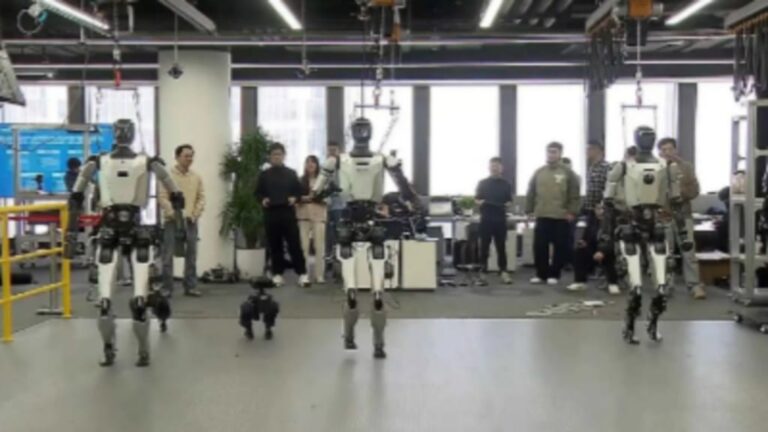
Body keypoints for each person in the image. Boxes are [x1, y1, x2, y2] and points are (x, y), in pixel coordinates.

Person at [567, 140, 620, 294]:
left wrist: (603, 208)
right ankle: (580, 280)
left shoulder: (607, 168)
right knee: (581, 244)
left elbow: (609, 191)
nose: (587, 152)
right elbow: (590, 192)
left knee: (605, 246)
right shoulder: (591, 168)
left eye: (589, 149)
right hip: (590, 213)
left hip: (605, 214)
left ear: (598, 151)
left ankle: (612, 282)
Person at [657, 137, 706, 300]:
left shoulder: (686, 167)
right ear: (659, 152)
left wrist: (678, 193)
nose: (667, 152)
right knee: (666, 253)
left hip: (683, 215)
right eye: (664, 150)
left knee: (689, 252)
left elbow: (695, 190)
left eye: (670, 149)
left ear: (675, 150)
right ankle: (666, 285)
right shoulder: (656, 169)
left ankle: (694, 285)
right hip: (663, 216)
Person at [525, 142, 580, 285]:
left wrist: (571, 211)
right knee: (539, 246)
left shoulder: (568, 173)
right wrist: (529, 210)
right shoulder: (539, 172)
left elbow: (574, 194)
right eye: (549, 151)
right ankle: (541, 274)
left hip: (561, 216)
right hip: (542, 214)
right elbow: (531, 192)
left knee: (559, 247)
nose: (551, 154)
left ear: (560, 154)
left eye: (554, 152)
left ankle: (554, 274)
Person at [256, 143, 309, 287]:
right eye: (274, 154)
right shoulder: (264, 175)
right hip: (271, 213)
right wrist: (263, 199)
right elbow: (258, 193)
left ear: (284, 156)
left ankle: (302, 274)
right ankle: (277, 274)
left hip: (287, 213)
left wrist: (295, 198)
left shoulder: (291, 173)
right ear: (270, 157)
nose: (276, 157)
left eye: (279, 154)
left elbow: (300, 191)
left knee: (294, 244)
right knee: (275, 245)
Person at [158, 144, 204, 298]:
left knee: (191, 255)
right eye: (186, 156)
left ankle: (190, 286)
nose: (189, 159)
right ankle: (167, 288)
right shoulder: (168, 177)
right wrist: (173, 213)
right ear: (177, 157)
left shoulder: (196, 177)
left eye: (191, 156)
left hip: (191, 221)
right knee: (168, 256)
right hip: (172, 221)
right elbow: (162, 197)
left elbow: (201, 197)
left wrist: (195, 214)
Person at [474, 157, 513, 284]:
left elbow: (509, 201)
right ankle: (482, 271)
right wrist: (480, 202)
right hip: (486, 219)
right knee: (484, 247)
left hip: (500, 220)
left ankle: (503, 271)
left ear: (501, 168)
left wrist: (507, 205)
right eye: (492, 165)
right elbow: (477, 199)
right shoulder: (482, 183)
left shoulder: (506, 184)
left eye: (497, 166)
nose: (494, 168)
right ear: (489, 167)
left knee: (501, 247)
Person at [297, 155, 327, 284]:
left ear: (317, 165)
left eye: (313, 162)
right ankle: (304, 274)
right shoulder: (300, 180)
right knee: (303, 247)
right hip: (303, 215)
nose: (310, 164)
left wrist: (318, 198)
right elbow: (295, 197)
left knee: (319, 247)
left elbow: (328, 199)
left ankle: (319, 275)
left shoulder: (323, 180)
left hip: (319, 216)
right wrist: (304, 198)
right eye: (308, 162)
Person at [325, 141, 345, 276]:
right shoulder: (325, 166)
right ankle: (328, 262)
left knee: (340, 234)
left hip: (340, 205)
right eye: (330, 150)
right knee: (328, 236)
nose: (332, 152)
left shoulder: (344, 167)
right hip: (327, 205)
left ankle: (341, 260)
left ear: (338, 151)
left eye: (334, 150)